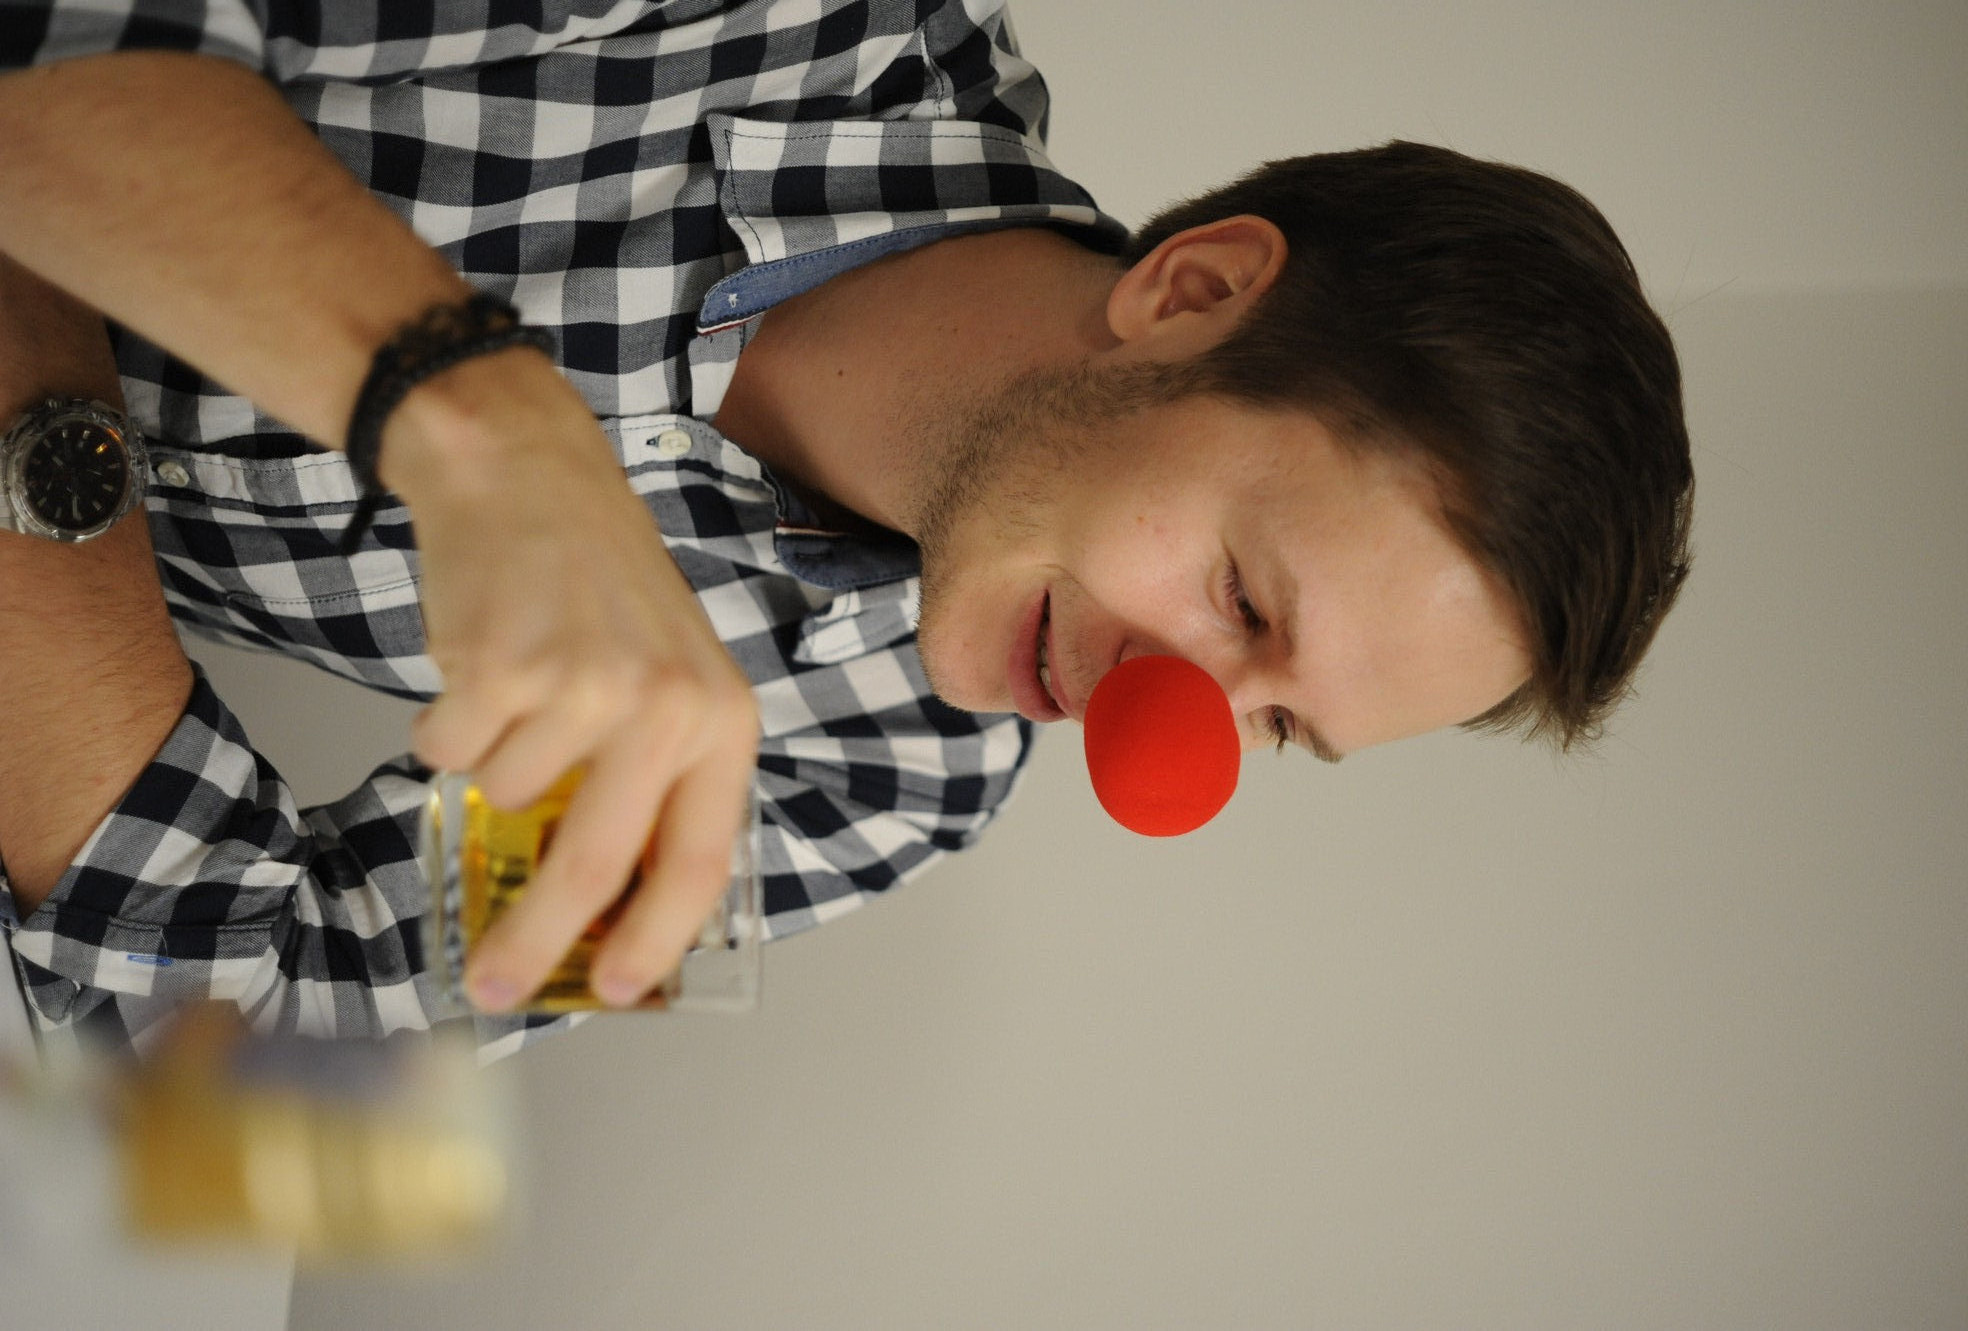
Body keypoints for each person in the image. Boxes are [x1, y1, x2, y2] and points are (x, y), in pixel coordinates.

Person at [0, 0, 1692, 1058]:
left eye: (1277, 729)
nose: (1161, 725)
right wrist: (483, 427)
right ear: (1193, 294)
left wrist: (35, 389)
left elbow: (238, 1035)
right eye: (1244, 603)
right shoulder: (780, 21)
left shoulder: (883, 775)